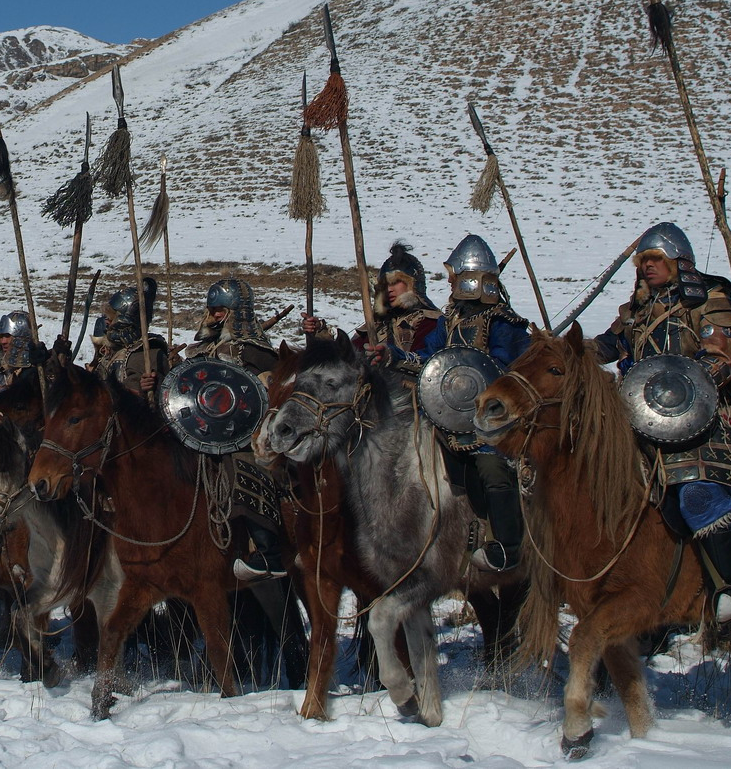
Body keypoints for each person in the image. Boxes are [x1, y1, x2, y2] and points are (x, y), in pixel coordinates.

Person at [591, 222, 731, 624]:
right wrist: (569, 350)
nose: (646, 268)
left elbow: (720, 358)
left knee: (698, 492)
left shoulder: (707, 302)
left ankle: (729, 589)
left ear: (679, 262)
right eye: (642, 261)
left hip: (702, 423)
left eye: (655, 260)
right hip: (639, 422)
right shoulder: (636, 311)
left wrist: (681, 388)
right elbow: (607, 347)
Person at [385, 235, 531, 572]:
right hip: (451, 422)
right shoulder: (450, 322)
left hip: (494, 425)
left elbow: (505, 371)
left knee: (492, 469)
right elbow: (430, 360)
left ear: (471, 279)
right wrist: (395, 356)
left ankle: (509, 546)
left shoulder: (505, 326)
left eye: (454, 277)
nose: (449, 283)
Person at [187, 278, 286, 581]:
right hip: (203, 434)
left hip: (246, 438)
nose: (217, 315)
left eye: (222, 309)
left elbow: (266, 394)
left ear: (238, 310)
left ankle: (269, 554)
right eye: (213, 309)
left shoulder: (255, 351)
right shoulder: (202, 348)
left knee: (242, 472)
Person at [303, 242, 440, 384]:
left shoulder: (431, 323)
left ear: (413, 285)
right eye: (385, 284)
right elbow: (346, 360)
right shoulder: (375, 327)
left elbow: (432, 362)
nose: (389, 290)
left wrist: (392, 357)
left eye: (395, 282)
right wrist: (320, 334)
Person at [94, 277, 168, 398]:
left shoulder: (149, 353)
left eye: (111, 317)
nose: (106, 321)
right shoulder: (112, 352)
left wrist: (146, 386)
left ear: (125, 319)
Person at [0, 312, 37, 397]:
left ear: (21, 337)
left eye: (8, 336)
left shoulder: (33, 372)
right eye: (1, 336)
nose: (3, 341)